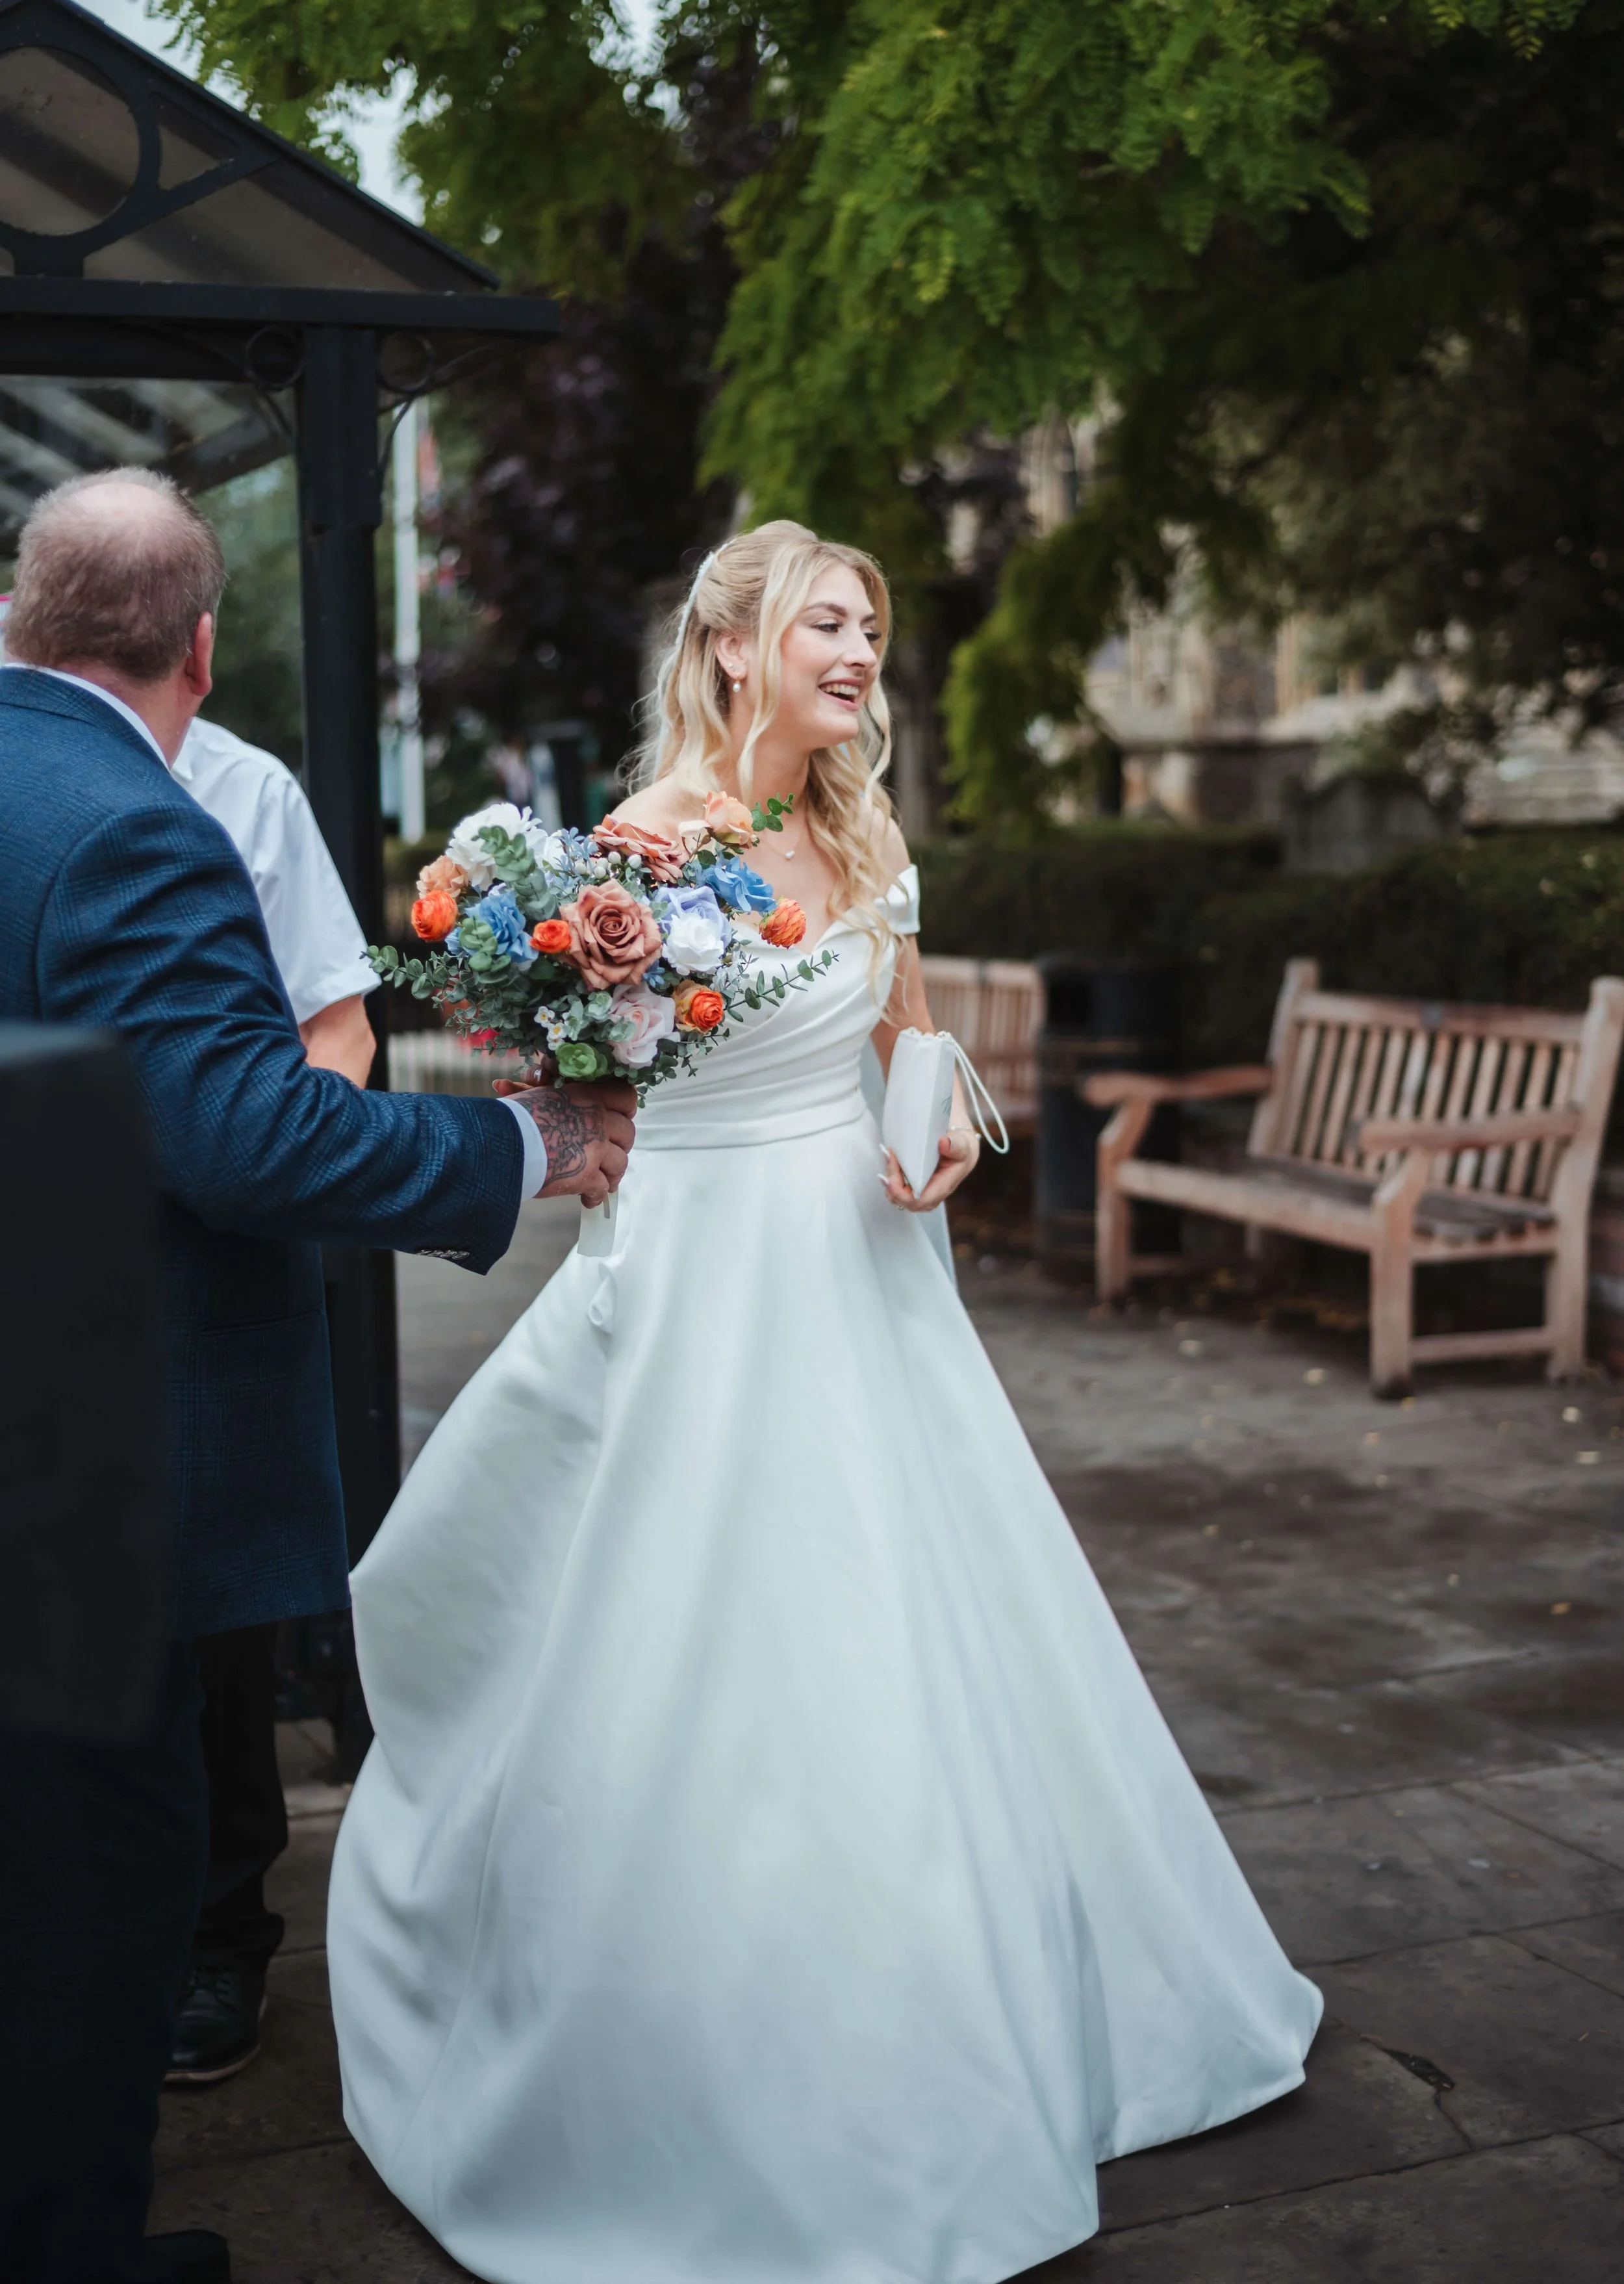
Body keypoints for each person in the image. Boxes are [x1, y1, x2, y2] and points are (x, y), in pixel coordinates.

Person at [327, 521, 1321, 2284]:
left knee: (910, 1636)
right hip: (702, 1278)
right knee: (702, 1638)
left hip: (863, 1274)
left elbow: (910, 1042)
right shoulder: (633, 854)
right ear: (733, 647)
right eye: (827, 626)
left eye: (869, 627)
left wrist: (940, 1130)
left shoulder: (861, 830)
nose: (858, 652)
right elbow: (583, 1112)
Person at [0, 467, 635, 2284]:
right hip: (71, 1461)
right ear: (199, 644)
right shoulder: (127, 823)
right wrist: (524, 1143)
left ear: (28, 614)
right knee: (93, 1884)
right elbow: (245, 1135)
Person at [163, 716, 378, 2089]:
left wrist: (267, 1173)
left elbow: (339, 1023)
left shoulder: (246, 790)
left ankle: (220, 1938)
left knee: (212, 1626)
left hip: (196, 1267)